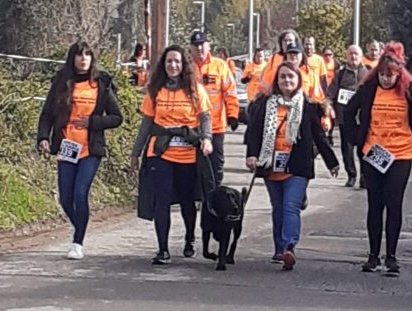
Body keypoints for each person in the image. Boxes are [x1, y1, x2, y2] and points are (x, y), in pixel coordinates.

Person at [344, 42, 412, 276]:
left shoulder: (409, 91)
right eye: (381, 74)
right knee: (375, 203)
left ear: (399, 74)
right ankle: (373, 256)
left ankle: (391, 257)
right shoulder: (368, 89)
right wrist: (358, 142)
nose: (385, 79)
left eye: (390, 76)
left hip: (400, 154)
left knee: (394, 203)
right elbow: (348, 113)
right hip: (374, 152)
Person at [245, 62, 340, 270]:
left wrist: (331, 162)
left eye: (291, 77)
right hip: (271, 166)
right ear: (277, 81)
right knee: (278, 207)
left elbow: (319, 136)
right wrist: (251, 155)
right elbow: (253, 132)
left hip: (297, 166)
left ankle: (289, 246)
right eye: (282, 77)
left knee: (290, 206)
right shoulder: (265, 104)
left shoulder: (308, 106)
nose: (287, 80)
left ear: (298, 80)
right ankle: (279, 249)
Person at [37, 41, 123, 260]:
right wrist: (43, 137)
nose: (83, 59)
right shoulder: (62, 82)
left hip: (90, 148)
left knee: (80, 193)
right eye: (79, 55)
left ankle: (78, 242)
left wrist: (93, 122)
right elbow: (47, 113)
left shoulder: (101, 84)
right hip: (67, 145)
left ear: (92, 59)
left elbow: (116, 117)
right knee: (66, 198)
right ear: (72, 58)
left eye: (87, 55)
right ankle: (80, 226)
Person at [130, 45, 213, 264]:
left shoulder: (195, 89)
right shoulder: (155, 90)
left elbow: (205, 117)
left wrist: (207, 139)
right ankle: (163, 249)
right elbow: (146, 123)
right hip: (160, 152)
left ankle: (189, 238)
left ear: (183, 64)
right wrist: (135, 153)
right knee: (162, 201)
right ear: (163, 65)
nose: (173, 65)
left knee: (187, 200)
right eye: (169, 62)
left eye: (177, 61)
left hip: (187, 154)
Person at [189, 31, 239, 187]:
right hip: (192, 125)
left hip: (216, 125)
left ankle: (214, 192)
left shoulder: (220, 66)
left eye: (202, 45)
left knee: (215, 163)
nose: (199, 49)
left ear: (208, 46)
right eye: (196, 46)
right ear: (190, 48)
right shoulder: (186, 67)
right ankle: (198, 194)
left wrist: (233, 114)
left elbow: (230, 92)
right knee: (195, 163)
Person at [327, 45, 368, 188]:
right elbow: (330, 93)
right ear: (346, 56)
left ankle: (364, 176)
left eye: (356, 54)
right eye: (350, 54)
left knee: (364, 149)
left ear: (361, 56)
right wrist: (330, 108)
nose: (353, 57)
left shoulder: (368, 73)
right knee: (347, 149)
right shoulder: (341, 74)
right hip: (345, 118)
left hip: (363, 119)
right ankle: (351, 175)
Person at [258, 29, 301, 94]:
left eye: (290, 40)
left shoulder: (300, 58)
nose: (287, 43)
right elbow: (264, 79)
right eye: (285, 40)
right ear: (281, 42)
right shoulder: (274, 58)